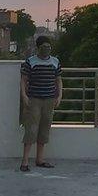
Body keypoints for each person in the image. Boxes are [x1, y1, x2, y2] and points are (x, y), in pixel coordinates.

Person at [19, 36, 62, 172]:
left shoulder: (55, 61)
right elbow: (24, 80)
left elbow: (58, 80)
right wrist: (24, 96)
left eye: (49, 47)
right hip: (34, 99)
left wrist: (59, 95)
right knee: (31, 129)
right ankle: (24, 162)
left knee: (44, 129)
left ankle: (40, 159)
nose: (47, 49)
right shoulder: (30, 61)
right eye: (44, 46)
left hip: (49, 99)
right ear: (38, 47)